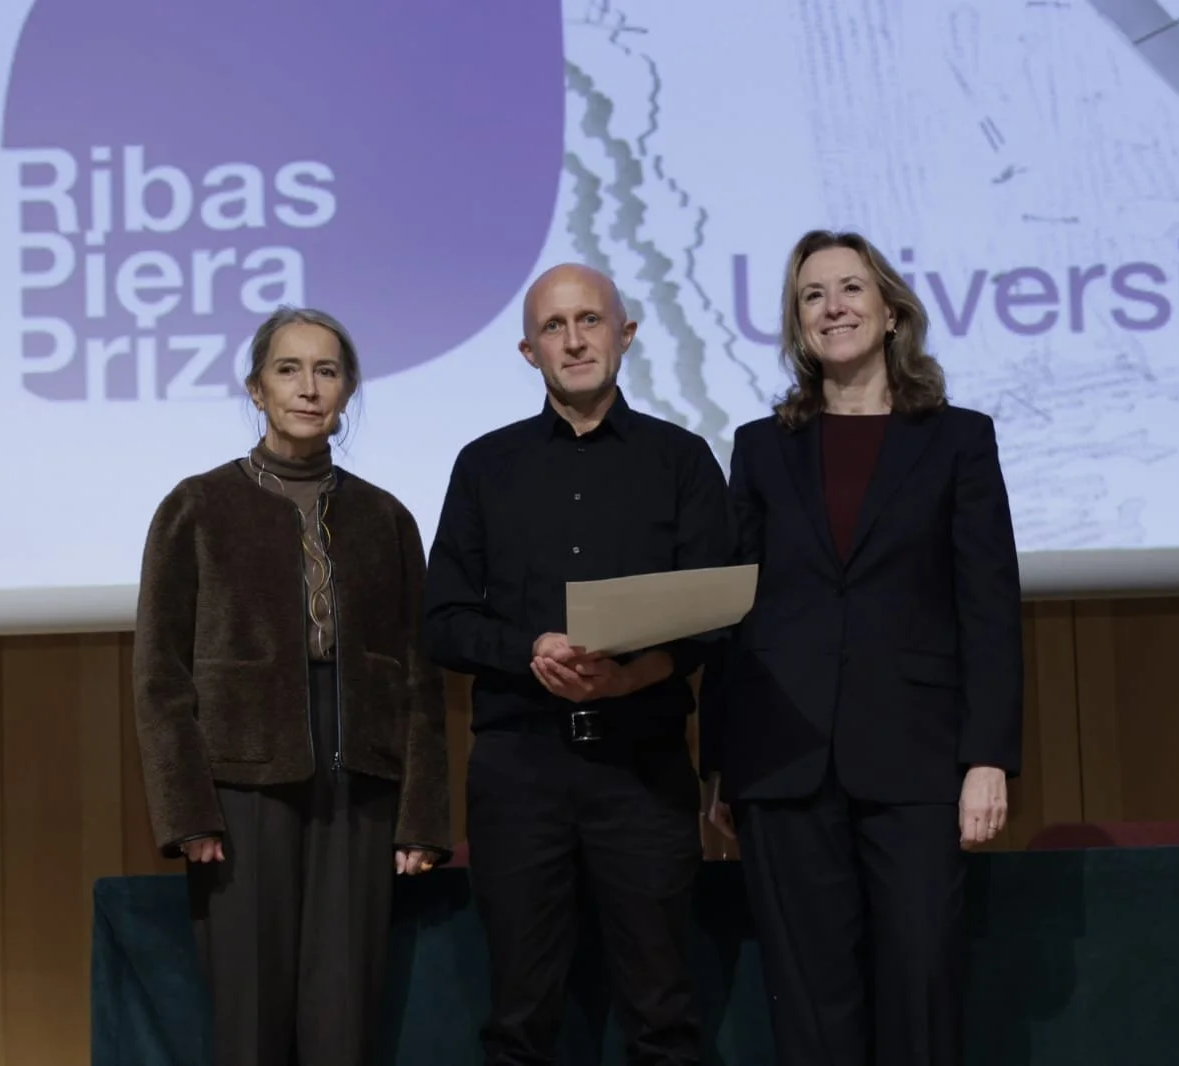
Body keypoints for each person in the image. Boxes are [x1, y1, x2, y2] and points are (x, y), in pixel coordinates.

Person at [700, 230, 1024, 1066]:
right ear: (797, 323)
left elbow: (987, 606)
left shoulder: (957, 439)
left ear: (889, 314)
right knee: (809, 1001)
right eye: (811, 295)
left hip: (916, 758)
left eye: (849, 289)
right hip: (781, 759)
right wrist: (721, 763)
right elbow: (734, 614)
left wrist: (987, 757)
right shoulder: (761, 447)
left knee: (921, 977)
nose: (831, 307)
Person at [422, 263, 732, 1066]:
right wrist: (528, 651)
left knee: (662, 1015)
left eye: (589, 320)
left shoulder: (682, 460)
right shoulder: (484, 465)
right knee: (519, 1018)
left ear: (624, 334)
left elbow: (716, 614)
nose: (574, 340)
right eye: (553, 327)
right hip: (518, 769)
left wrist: (632, 675)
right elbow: (443, 620)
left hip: (643, 766)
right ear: (529, 352)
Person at [132, 305, 451, 1066]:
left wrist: (421, 818)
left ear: (346, 392)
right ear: (256, 389)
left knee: (343, 1020)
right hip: (241, 785)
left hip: (360, 783)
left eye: (326, 371)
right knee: (249, 1020)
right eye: (288, 369)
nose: (308, 388)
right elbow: (160, 675)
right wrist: (188, 811)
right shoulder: (196, 507)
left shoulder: (385, 518)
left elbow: (418, 676)